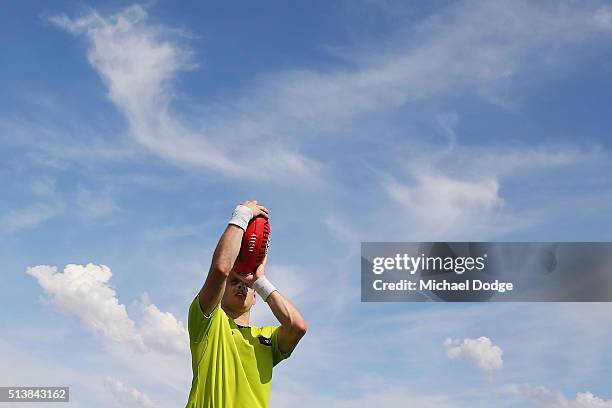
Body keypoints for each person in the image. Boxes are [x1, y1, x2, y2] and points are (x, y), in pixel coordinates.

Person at [185, 200, 308, 408]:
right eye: (234, 282)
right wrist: (241, 215)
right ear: (221, 291)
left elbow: (297, 327)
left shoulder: (267, 338)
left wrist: (259, 281)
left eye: (247, 285)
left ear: (255, 297)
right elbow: (221, 270)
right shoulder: (207, 324)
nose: (242, 286)